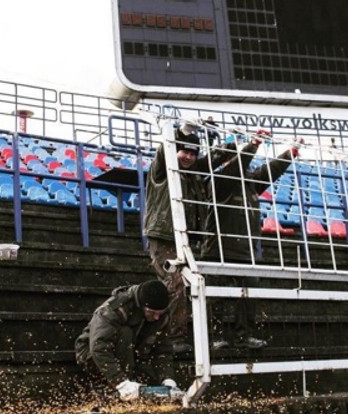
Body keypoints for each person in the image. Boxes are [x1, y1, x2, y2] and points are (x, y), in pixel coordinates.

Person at [200, 129, 301, 350]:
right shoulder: (219, 181)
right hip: (218, 250)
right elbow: (236, 167)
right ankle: (214, 337)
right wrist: (253, 145)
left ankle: (242, 336)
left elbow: (270, 171)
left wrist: (290, 153)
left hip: (245, 252)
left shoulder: (250, 183)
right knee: (215, 298)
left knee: (250, 294)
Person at [143, 119, 232, 354]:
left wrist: (238, 143)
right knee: (175, 284)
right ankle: (175, 338)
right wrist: (183, 132)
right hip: (164, 236)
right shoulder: (162, 170)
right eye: (184, 151)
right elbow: (165, 150)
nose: (188, 157)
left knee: (201, 282)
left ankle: (206, 336)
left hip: (189, 238)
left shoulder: (193, 174)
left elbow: (215, 159)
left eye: (193, 153)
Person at [74, 280, 181, 402]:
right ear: (142, 305)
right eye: (152, 312)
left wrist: (167, 380)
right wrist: (121, 383)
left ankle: (129, 387)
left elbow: (163, 349)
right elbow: (99, 347)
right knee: (126, 332)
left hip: (132, 354)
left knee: (151, 380)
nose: (156, 317)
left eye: (159, 313)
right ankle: (115, 392)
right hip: (92, 354)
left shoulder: (161, 314)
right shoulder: (116, 308)